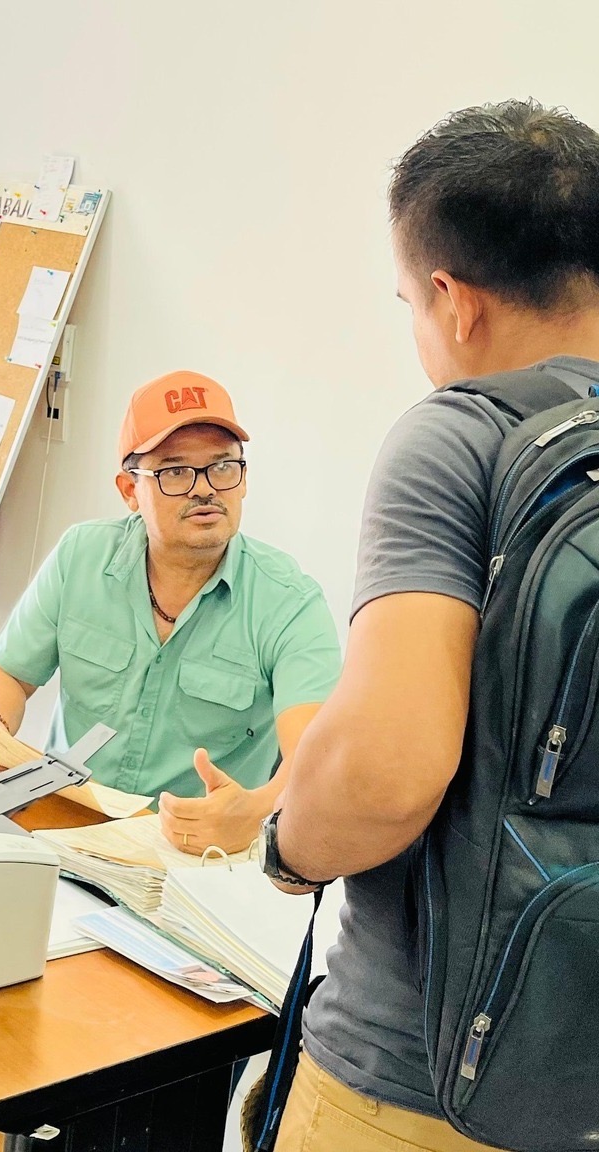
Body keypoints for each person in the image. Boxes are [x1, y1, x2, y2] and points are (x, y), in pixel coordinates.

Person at [264, 100, 599, 1152]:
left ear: (453, 301)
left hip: (418, 1084)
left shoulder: (463, 436)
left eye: (410, 302)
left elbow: (384, 772)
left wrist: (287, 851)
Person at [0, 371, 340, 855]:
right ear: (129, 490)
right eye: (175, 472)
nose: (205, 489)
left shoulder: (288, 601)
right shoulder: (82, 557)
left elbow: (317, 760)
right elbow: (5, 673)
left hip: (194, 856)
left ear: (243, 480)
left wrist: (257, 810)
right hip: (62, 825)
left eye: (222, 466)